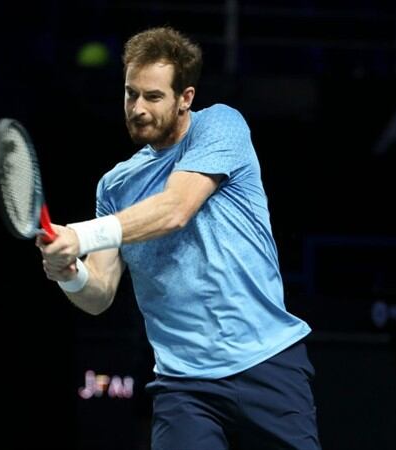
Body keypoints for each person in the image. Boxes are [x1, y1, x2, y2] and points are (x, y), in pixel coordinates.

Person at [38, 27, 320, 449]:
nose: (137, 108)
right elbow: (98, 295)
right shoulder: (115, 186)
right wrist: (68, 273)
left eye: (153, 97)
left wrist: (77, 234)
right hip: (183, 386)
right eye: (131, 94)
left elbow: (175, 209)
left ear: (185, 98)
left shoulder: (221, 125)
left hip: (268, 363)